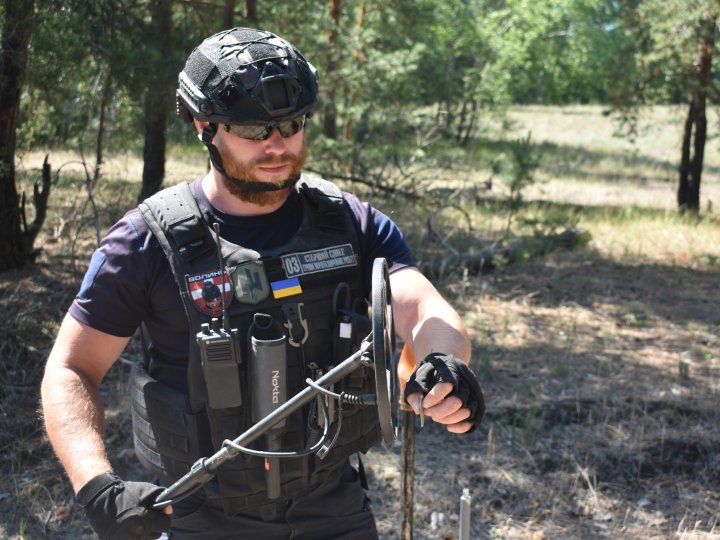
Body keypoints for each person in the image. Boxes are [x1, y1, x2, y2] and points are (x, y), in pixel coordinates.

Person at [41, 27, 484, 540]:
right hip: (203, 513)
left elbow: (420, 306)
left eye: (292, 124)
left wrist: (443, 360)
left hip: (334, 508)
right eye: (254, 129)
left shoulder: (349, 224)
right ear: (205, 126)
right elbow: (71, 368)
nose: (278, 145)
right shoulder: (145, 242)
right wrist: (97, 488)